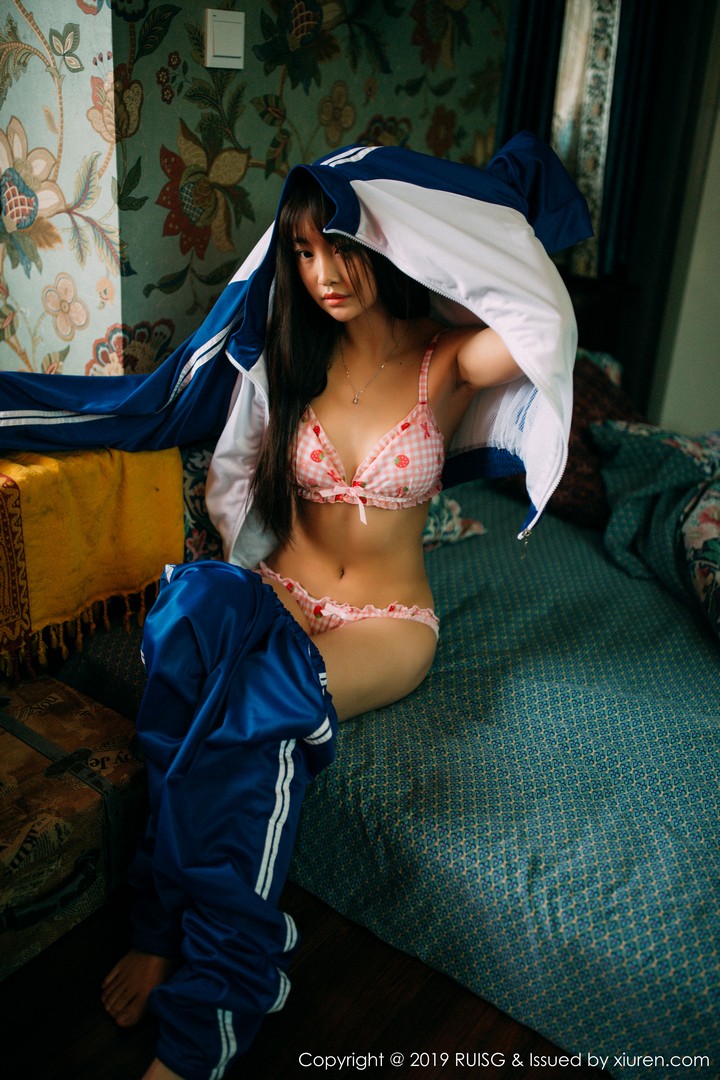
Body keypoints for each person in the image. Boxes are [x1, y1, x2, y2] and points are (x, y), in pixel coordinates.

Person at [1, 135, 590, 1080]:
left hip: (384, 625)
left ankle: (218, 1004)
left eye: (342, 246)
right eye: (304, 253)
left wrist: (438, 218)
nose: (324, 275)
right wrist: (240, 575)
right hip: (282, 586)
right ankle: (159, 923)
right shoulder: (290, 356)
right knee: (186, 624)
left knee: (253, 713)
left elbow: (548, 329)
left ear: (384, 240)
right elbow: (235, 476)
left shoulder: (445, 361)